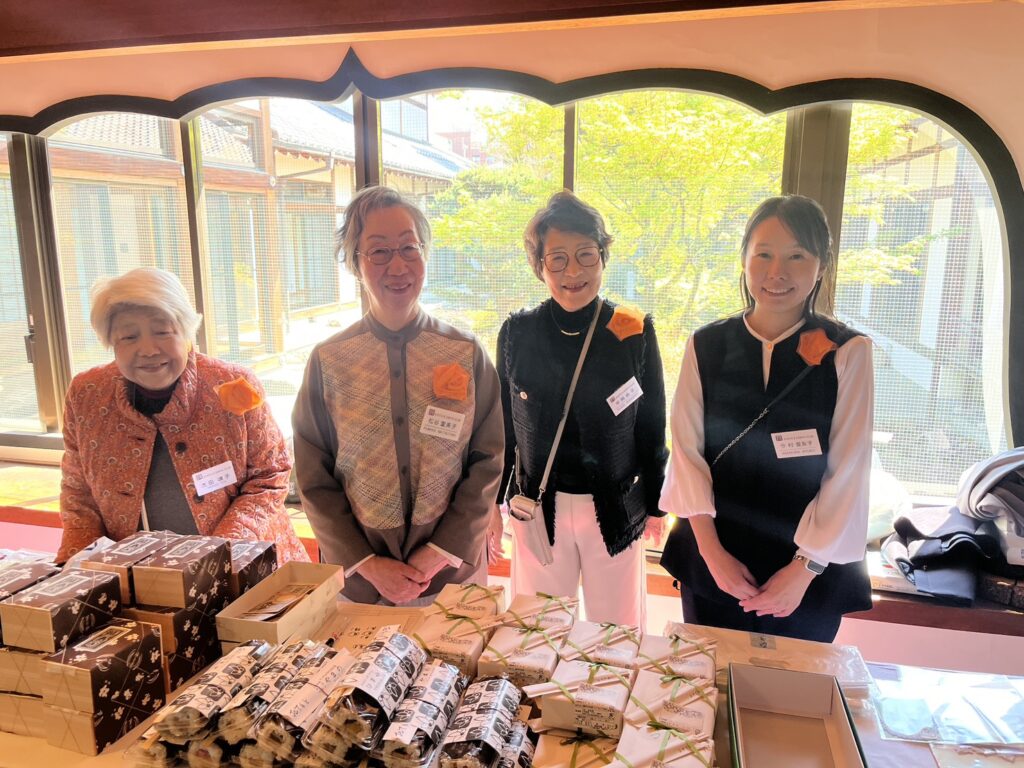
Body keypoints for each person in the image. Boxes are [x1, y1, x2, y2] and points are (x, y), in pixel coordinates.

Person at [659, 195, 874, 642]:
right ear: (744, 260)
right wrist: (712, 555)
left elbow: (849, 470)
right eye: (764, 254)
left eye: (797, 256)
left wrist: (805, 568)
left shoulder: (848, 351)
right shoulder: (707, 344)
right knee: (708, 677)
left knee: (794, 684)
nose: (778, 272)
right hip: (715, 557)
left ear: (821, 265)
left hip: (808, 571)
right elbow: (686, 452)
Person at [292, 186, 504, 606]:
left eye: (409, 247)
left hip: (451, 576)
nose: (398, 265)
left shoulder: (465, 352)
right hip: (362, 581)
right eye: (379, 251)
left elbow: (488, 461)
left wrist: (438, 552)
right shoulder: (329, 360)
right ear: (355, 263)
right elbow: (313, 476)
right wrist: (367, 563)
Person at [57, 267, 308, 565]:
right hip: (135, 574)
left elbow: (269, 476)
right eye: (129, 336)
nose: (148, 349)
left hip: (246, 566)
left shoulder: (233, 384)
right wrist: (77, 569)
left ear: (187, 332)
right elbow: (79, 494)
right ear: (112, 342)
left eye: (162, 331)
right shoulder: (87, 394)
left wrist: (220, 553)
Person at [496, 191, 668, 626]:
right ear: (539, 266)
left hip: (615, 505)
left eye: (585, 255)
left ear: (603, 257)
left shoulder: (632, 330)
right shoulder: (518, 332)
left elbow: (652, 424)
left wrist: (656, 505)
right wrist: (494, 505)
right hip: (538, 507)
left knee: (617, 632)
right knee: (538, 630)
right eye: (557, 259)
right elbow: (503, 429)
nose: (573, 272)